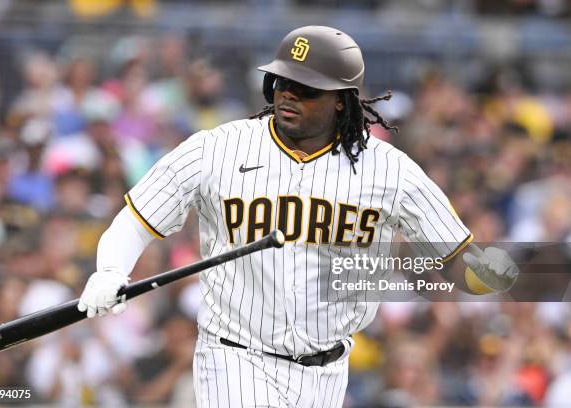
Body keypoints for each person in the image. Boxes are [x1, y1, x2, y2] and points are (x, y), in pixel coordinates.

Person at [78, 26, 519, 407]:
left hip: (328, 370)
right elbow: (134, 222)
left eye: (306, 88)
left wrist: (503, 273)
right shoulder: (216, 149)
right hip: (235, 355)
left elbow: (461, 262)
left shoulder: (390, 171)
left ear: (342, 102)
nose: (288, 94)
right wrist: (111, 270)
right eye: (281, 81)